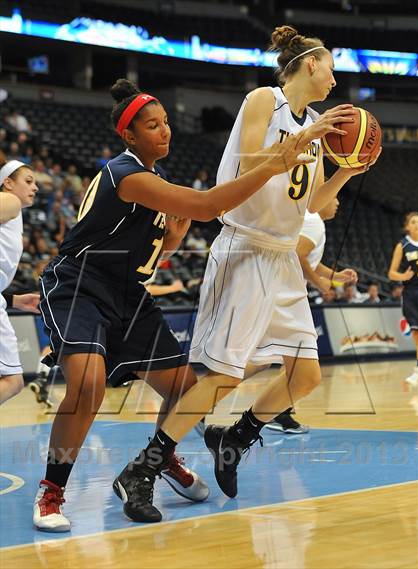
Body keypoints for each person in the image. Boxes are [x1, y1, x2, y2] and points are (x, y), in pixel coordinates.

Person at [32, 78, 314, 531]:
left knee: (187, 391)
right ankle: (52, 491)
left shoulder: (153, 180)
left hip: (127, 294)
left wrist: (170, 244)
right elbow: (207, 206)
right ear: (129, 135)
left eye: (166, 123)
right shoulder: (125, 174)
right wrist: (270, 166)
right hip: (80, 285)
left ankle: (161, 461)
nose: (165, 132)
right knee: (88, 387)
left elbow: (146, 249)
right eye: (152, 126)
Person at [123, 25, 381, 521]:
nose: (334, 80)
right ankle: (143, 469)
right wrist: (307, 137)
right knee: (220, 375)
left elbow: (316, 206)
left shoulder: (315, 131)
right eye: (331, 67)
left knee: (304, 376)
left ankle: (234, 439)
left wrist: (349, 169)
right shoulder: (265, 99)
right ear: (310, 63)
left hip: (282, 257)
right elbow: (247, 162)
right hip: (244, 248)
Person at [266, 197, 358, 433]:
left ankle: (279, 411)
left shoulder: (311, 221)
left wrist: (337, 276)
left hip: (278, 290)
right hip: (284, 293)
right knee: (282, 359)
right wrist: (319, 283)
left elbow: (311, 261)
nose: (338, 202)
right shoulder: (313, 220)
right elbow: (298, 255)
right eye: (335, 197)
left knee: (290, 357)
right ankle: (201, 399)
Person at [0, 159, 40, 404]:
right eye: (28, 181)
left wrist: (12, 299)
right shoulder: (11, 201)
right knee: (13, 382)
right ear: (7, 183)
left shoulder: (15, 216)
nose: (35, 187)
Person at [388, 211, 418, 385]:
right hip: (412, 292)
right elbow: (391, 273)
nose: (416, 224)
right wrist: (403, 277)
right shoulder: (403, 245)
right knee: (417, 332)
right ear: (407, 226)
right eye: (413, 222)